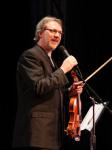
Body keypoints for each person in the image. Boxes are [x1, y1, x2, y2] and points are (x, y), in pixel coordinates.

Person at [12, 16, 84, 150]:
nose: (57, 35)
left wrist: (69, 92)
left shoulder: (50, 60)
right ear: (40, 33)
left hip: (52, 135)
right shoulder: (30, 56)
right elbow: (39, 87)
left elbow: (50, 91)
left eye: (60, 33)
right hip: (37, 135)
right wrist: (63, 69)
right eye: (52, 31)